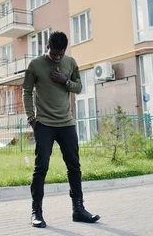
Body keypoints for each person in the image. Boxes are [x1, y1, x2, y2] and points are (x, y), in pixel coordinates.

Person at [22, 31, 100, 228]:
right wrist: (32, 118)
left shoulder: (70, 63)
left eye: (60, 54)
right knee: (41, 169)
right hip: (45, 124)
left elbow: (78, 87)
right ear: (47, 46)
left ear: (65, 50)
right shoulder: (35, 65)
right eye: (53, 53)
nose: (56, 58)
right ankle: (36, 212)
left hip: (67, 123)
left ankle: (78, 210)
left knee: (74, 167)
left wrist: (65, 80)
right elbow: (26, 91)